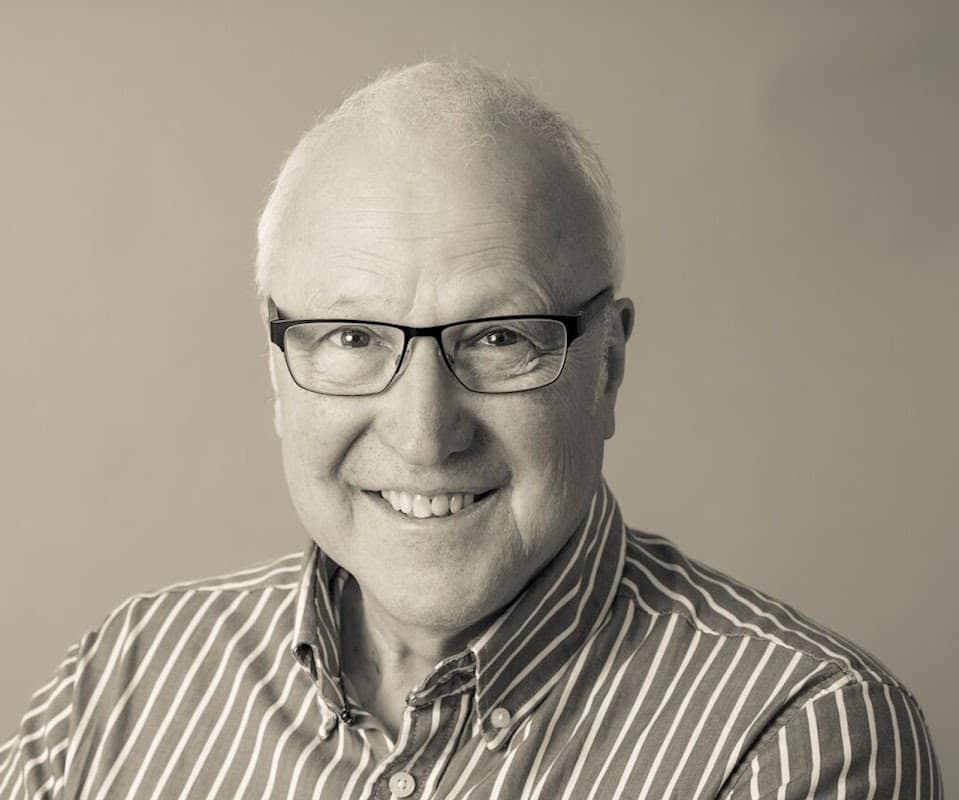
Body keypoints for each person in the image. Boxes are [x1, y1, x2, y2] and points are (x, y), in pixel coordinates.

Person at [0, 61, 942, 800]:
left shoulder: (796, 736)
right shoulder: (127, 678)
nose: (424, 433)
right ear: (277, 369)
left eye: (497, 338)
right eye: (352, 337)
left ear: (607, 364)